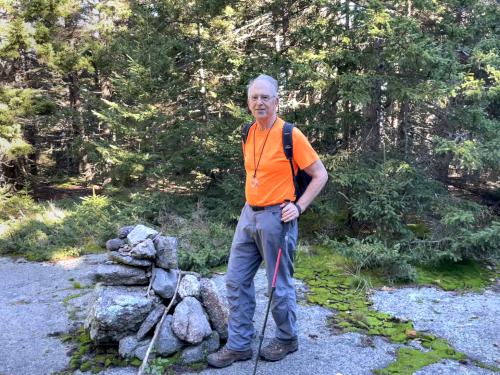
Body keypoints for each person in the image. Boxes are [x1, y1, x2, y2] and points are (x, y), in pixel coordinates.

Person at [207, 74, 328, 368]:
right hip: (249, 213)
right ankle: (239, 345)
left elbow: (320, 175)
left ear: (276, 100)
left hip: (278, 218)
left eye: (265, 97)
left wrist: (298, 207)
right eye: (254, 97)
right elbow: (255, 173)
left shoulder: (290, 135)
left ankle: (287, 339)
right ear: (248, 102)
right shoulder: (249, 132)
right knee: (235, 279)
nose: (259, 102)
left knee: (278, 286)